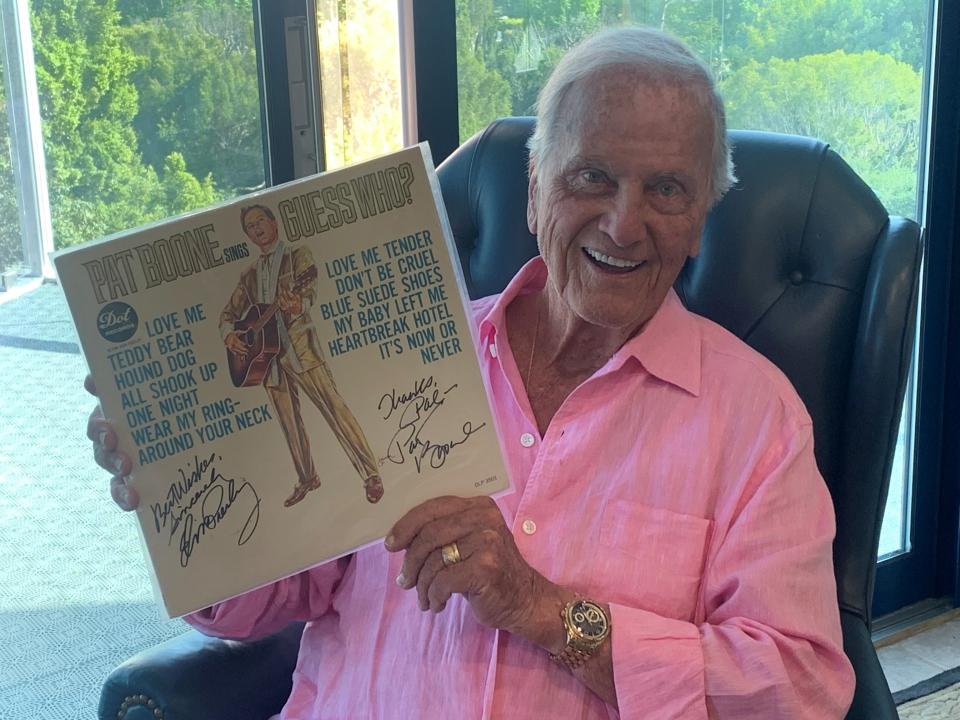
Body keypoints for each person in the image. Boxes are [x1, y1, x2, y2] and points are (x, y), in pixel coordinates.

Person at [88, 27, 855, 719]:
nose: (625, 224)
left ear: (701, 221)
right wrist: (185, 498)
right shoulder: (398, 350)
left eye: (666, 189)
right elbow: (283, 597)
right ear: (533, 189)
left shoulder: (755, 418)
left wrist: (546, 611)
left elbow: (800, 690)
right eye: (591, 177)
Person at [223, 203, 383, 507]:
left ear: (274, 223)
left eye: (260, 222)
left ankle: (371, 473)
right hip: (266, 359)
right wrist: (230, 335)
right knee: (289, 422)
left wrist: (298, 305)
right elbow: (228, 313)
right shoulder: (249, 275)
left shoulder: (299, 256)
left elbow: (308, 294)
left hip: (300, 348)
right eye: (250, 227)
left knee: (334, 408)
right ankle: (307, 478)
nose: (256, 229)